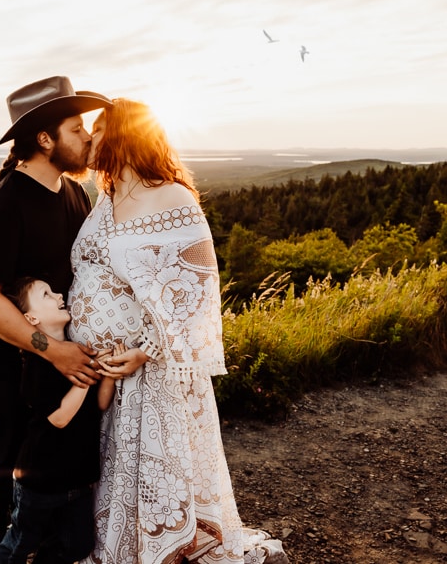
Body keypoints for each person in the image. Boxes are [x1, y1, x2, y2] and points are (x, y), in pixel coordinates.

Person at [68, 99, 289, 564]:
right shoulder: (103, 201)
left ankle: (164, 550)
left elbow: (198, 288)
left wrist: (145, 351)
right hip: (105, 377)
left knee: (158, 475)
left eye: (102, 128)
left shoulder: (173, 198)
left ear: (128, 134)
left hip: (152, 374)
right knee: (114, 474)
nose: (92, 137)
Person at [0, 76, 112, 564]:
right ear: (45, 139)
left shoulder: (74, 194)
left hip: (62, 370)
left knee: (59, 477)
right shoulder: (5, 204)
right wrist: (53, 350)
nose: (88, 136)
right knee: (0, 469)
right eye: (76, 128)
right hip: (12, 372)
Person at [0, 277, 117, 564]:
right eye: (46, 294)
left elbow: (100, 405)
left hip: (78, 480)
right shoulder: (37, 365)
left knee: (77, 544)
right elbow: (60, 418)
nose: (59, 295)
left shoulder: (77, 351)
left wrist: (108, 373)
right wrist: (87, 375)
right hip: (39, 481)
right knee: (21, 542)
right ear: (31, 318)